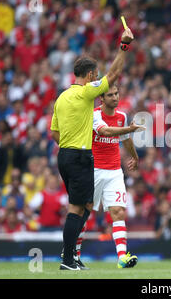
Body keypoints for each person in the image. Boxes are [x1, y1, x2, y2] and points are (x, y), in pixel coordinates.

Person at [50, 27, 134, 270]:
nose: (97, 79)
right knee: (77, 209)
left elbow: (54, 132)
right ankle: (67, 260)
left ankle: (72, 256)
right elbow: (115, 73)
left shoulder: (62, 97)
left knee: (83, 206)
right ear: (89, 76)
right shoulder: (87, 93)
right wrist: (124, 45)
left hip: (64, 155)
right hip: (79, 156)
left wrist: (69, 145)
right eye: (95, 76)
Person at [75, 84, 144, 269]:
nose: (115, 97)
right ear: (101, 99)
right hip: (94, 170)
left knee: (118, 211)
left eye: (116, 93)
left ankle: (122, 257)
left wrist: (135, 157)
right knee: (84, 212)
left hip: (114, 171)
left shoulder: (121, 117)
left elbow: (124, 139)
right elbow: (105, 131)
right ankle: (75, 255)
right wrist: (129, 130)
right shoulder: (94, 115)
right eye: (110, 95)